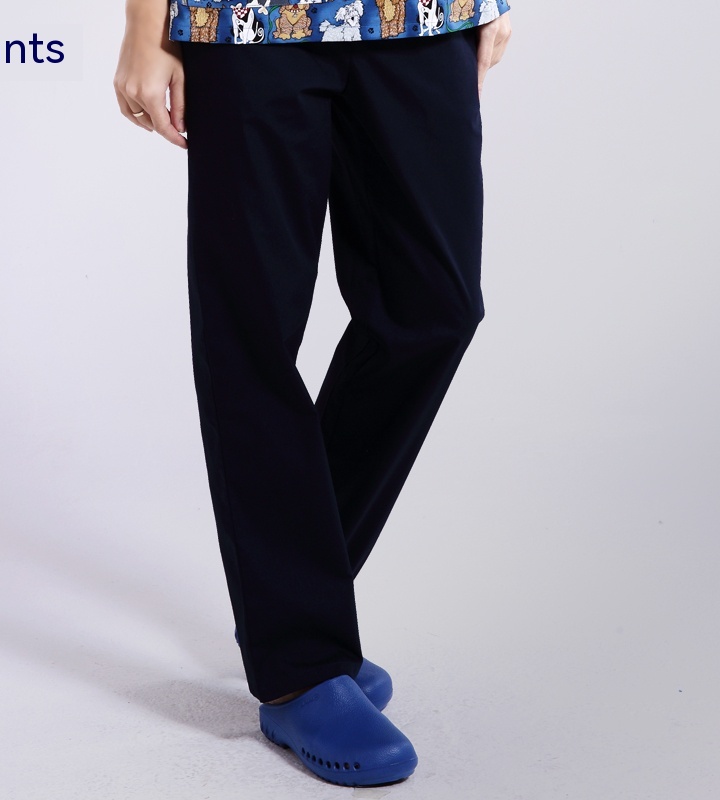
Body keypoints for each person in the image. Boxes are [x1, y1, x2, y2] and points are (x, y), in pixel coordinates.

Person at [114, 0, 511, 787]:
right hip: (248, 26)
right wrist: (142, 26)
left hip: (424, 17)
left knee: (435, 307)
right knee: (252, 332)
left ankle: (288, 600)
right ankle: (298, 663)